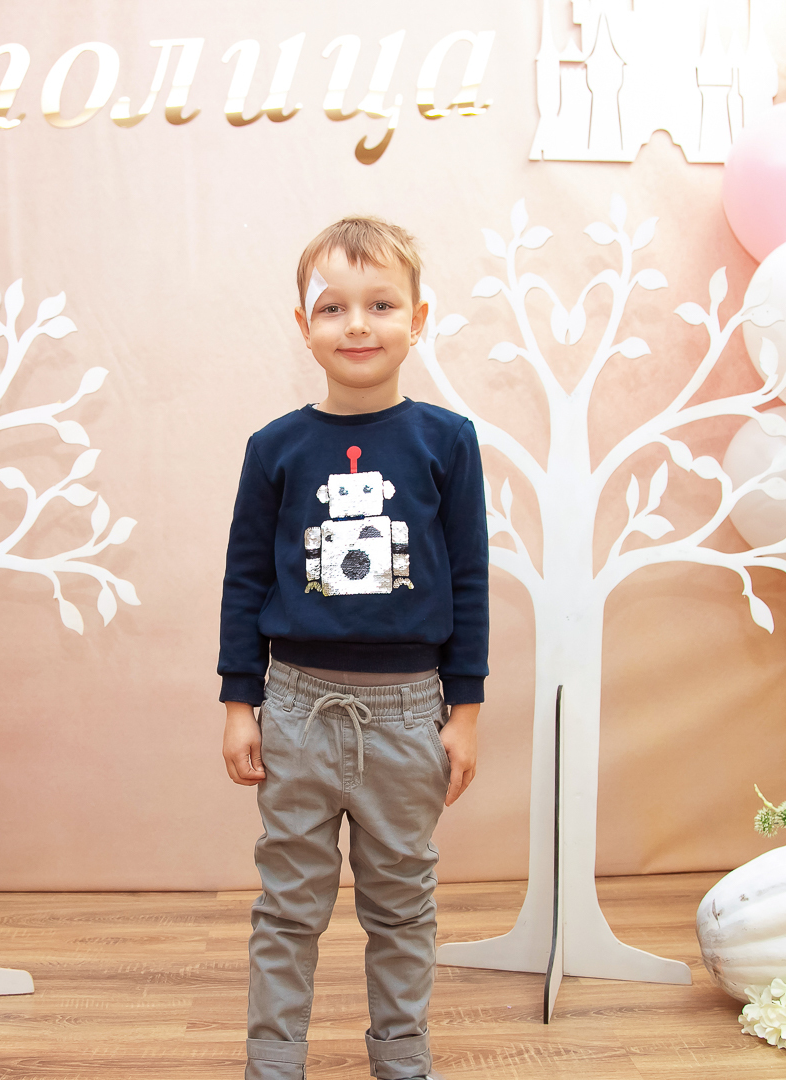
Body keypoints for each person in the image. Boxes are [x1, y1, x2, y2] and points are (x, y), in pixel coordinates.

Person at [219, 217, 489, 1080]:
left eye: (381, 304)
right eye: (333, 308)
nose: (357, 325)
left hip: (410, 715)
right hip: (296, 709)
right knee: (288, 907)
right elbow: (244, 578)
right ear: (304, 327)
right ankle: (272, 1065)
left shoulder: (448, 442)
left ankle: (402, 1061)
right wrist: (239, 702)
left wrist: (465, 710)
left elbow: (470, 579)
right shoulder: (274, 448)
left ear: (418, 319)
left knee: (403, 907)